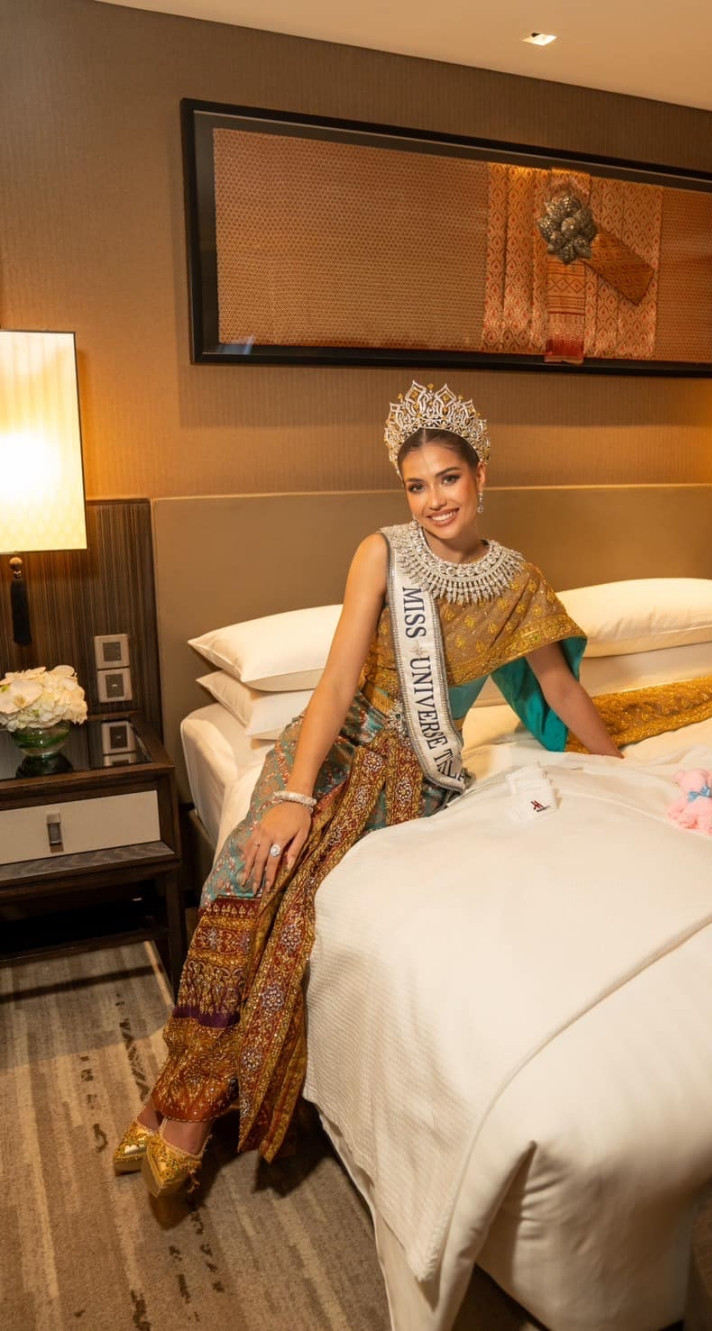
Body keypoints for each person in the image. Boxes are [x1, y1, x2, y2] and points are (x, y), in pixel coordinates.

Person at [113, 381, 622, 1198]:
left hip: (417, 776)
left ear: (481, 477)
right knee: (249, 869)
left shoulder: (517, 582)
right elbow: (339, 679)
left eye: (448, 479)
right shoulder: (382, 553)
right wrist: (295, 794)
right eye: (416, 485)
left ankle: (184, 1107)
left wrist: (616, 766)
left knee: (301, 913)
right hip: (334, 747)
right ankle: (183, 1094)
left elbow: (559, 687)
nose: (433, 500)